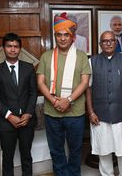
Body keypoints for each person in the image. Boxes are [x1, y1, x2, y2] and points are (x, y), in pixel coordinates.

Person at [37, 12, 91, 176]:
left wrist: (67, 100)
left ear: (72, 36)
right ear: (55, 36)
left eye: (66, 35)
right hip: (52, 112)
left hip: (75, 113)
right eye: (59, 35)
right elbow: (40, 82)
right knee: (56, 150)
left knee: (75, 151)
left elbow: (84, 82)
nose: (62, 38)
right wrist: (55, 102)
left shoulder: (81, 56)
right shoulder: (46, 56)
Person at [86, 30, 122, 176]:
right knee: (103, 151)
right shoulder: (92, 61)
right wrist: (90, 112)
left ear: (116, 43)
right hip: (100, 115)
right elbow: (88, 89)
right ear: (100, 44)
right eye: (105, 41)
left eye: (111, 40)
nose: (108, 43)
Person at [0, 33, 37, 176]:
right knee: (8, 159)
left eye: (16, 46)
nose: (12, 49)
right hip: (6, 123)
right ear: (3, 48)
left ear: (20, 49)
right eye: (9, 46)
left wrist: (28, 114)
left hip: (26, 121)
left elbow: (33, 93)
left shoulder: (29, 68)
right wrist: (10, 116)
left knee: (26, 156)